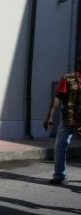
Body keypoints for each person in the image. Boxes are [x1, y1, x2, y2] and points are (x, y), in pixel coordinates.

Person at [43, 57, 81, 185]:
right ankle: (60, 175)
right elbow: (58, 97)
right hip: (68, 119)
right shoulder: (68, 78)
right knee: (60, 146)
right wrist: (50, 116)